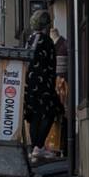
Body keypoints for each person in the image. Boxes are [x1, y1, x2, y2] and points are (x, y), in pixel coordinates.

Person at [24, 11, 60, 164]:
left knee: (34, 115)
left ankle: (35, 148)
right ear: (46, 24)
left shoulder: (30, 39)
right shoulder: (47, 41)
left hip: (30, 82)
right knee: (51, 112)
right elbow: (51, 63)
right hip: (44, 82)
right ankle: (39, 146)